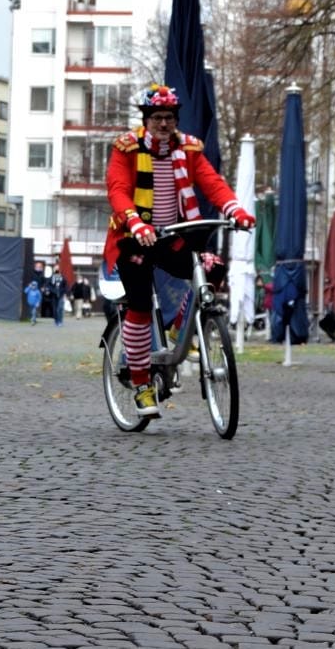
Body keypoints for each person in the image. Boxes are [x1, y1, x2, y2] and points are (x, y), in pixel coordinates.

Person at [105, 84, 254, 418]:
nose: (163, 124)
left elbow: (211, 182)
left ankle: (180, 328)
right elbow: (117, 190)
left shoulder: (188, 148)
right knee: (141, 304)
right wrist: (135, 223)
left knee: (213, 266)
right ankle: (143, 385)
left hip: (174, 234)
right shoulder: (126, 148)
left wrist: (234, 210)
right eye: (157, 117)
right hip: (134, 237)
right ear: (146, 119)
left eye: (169, 118)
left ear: (176, 120)